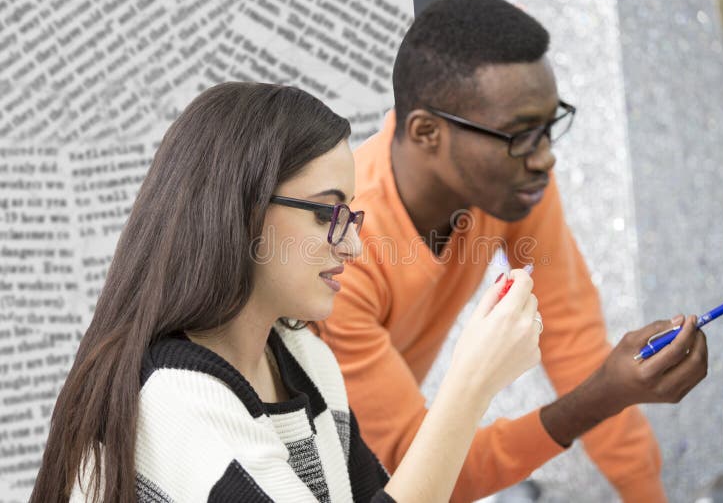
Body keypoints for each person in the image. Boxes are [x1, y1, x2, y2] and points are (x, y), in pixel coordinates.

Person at [30, 82, 543, 502]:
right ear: (242, 210)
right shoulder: (174, 399)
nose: (352, 249)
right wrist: (470, 385)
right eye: (327, 213)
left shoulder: (306, 359)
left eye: (351, 215)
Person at [322, 0, 709, 502]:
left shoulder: (507, 187)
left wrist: (647, 493)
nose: (545, 158)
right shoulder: (339, 249)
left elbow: (573, 340)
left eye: (549, 128)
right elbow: (425, 472)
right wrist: (602, 397)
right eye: (520, 135)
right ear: (427, 133)